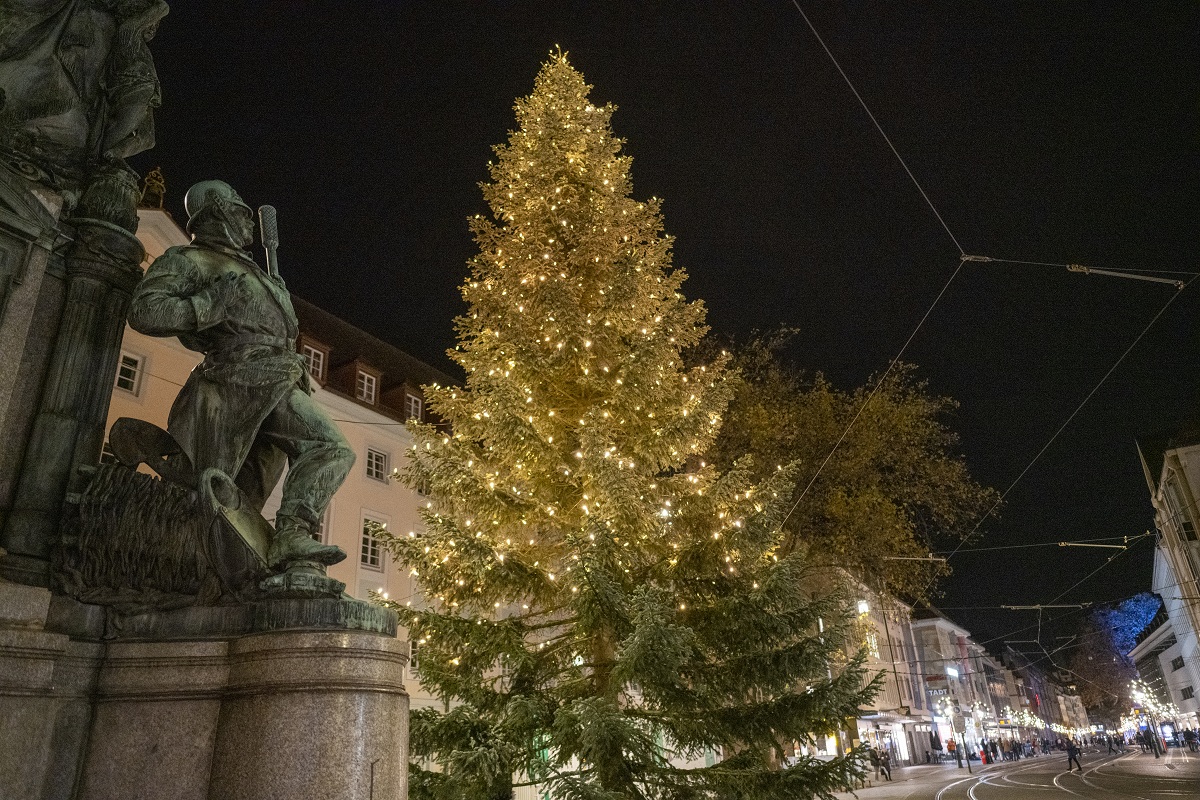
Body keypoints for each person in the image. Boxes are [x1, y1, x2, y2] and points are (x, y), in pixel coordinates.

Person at [128, 180, 354, 572]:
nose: (249, 220)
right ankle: (292, 533)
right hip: (237, 378)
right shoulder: (189, 259)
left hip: (278, 378)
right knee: (330, 447)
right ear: (216, 211)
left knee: (239, 503)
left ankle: (241, 566)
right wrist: (208, 305)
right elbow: (146, 312)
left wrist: (278, 304)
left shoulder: (257, 272)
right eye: (241, 210)